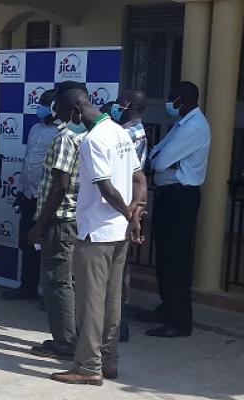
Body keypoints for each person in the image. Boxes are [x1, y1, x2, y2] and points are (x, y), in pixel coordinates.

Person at [50, 87, 146, 385]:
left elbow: (105, 187)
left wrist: (128, 213)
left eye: (66, 116)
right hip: (120, 234)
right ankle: (110, 360)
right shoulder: (120, 131)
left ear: (76, 111)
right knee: (112, 300)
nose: (67, 122)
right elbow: (140, 179)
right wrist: (136, 212)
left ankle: (89, 367)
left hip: (97, 231)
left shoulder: (92, 140)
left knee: (90, 302)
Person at [144, 81, 210, 338]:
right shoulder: (182, 123)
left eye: (172, 98)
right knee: (164, 257)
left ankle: (179, 321)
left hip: (181, 197)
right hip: (169, 195)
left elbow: (160, 162)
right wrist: (161, 163)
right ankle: (167, 307)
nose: (169, 104)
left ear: (184, 98)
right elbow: (158, 153)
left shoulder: (194, 126)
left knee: (177, 260)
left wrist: (161, 163)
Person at [27, 83, 86, 361]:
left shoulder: (66, 138)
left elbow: (60, 186)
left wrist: (39, 225)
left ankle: (65, 342)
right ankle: (66, 337)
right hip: (74, 218)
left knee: (57, 282)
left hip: (60, 220)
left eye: (58, 106)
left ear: (67, 108)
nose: (54, 111)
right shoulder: (87, 135)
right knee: (64, 281)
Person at [4, 89, 59, 301]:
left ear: (55, 108)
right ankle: (26, 286)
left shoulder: (63, 132)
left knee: (49, 247)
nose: (40, 107)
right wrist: (20, 190)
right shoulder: (35, 128)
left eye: (45, 104)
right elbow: (28, 160)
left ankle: (50, 296)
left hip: (48, 198)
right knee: (28, 243)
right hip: (28, 194)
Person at [108, 89, 148, 343]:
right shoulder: (130, 130)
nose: (115, 105)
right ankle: (115, 322)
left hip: (123, 205)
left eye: (119, 102)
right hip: (124, 204)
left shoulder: (128, 133)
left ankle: (117, 324)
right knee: (119, 267)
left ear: (127, 105)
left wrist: (134, 212)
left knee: (118, 268)